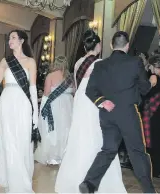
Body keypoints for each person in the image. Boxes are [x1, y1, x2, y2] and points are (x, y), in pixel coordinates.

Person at [79, 31, 157, 193]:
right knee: (137, 152)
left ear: (111, 45)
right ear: (128, 46)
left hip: (107, 114)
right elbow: (143, 89)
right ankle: (149, 191)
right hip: (128, 114)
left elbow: (89, 89)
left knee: (108, 150)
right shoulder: (135, 62)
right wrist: (151, 82)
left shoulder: (100, 65)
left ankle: (89, 183)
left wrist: (101, 101)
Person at [55, 29, 126, 193]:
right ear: (99, 46)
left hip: (80, 102)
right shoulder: (98, 63)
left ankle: (76, 178)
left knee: (80, 137)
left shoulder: (78, 62)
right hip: (93, 102)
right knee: (97, 136)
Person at [0, 30, 40, 192]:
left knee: (22, 140)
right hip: (6, 102)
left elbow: (33, 90)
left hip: (23, 103)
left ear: (21, 41)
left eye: (13, 38)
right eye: (9, 38)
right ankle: (10, 178)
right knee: (8, 141)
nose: (10, 41)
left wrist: (35, 114)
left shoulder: (30, 62)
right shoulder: (6, 61)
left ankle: (21, 179)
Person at [34, 56, 74, 165]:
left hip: (54, 106)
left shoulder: (50, 76)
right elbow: (73, 91)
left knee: (53, 130)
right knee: (66, 129)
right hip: (68, 106)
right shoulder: (70, 77)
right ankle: (65, 155)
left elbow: (46, 94)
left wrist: (38, 102)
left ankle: (53, 156)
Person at [141, 54, 160, 178]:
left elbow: (146, 96)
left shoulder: (154, 78)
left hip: (153, 115)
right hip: (156, 114)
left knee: (154, 143)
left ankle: (155, 170)